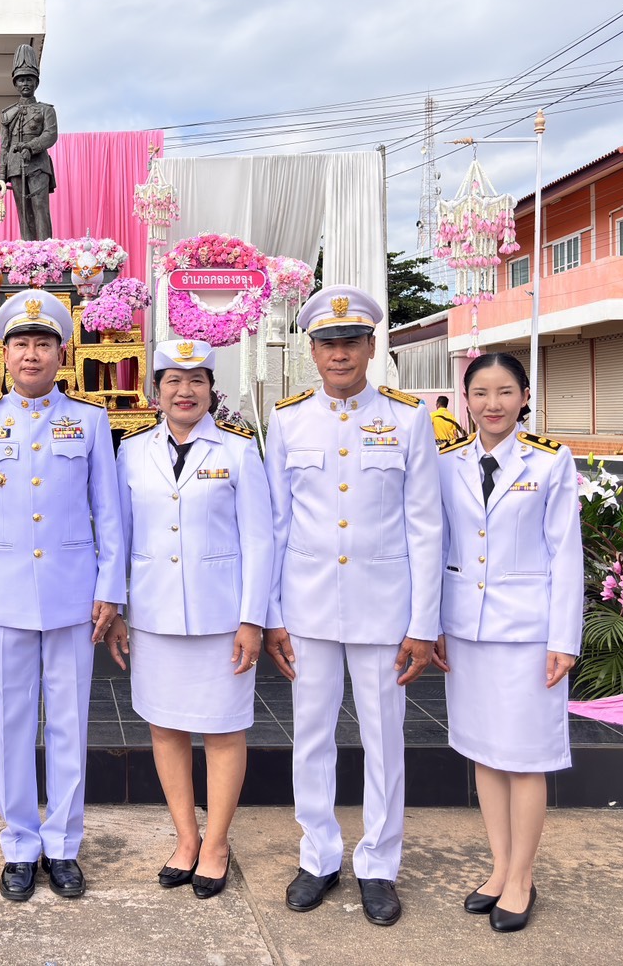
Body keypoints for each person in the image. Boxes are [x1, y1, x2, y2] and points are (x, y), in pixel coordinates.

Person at [261, 285, 441, 927]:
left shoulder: (409, 418)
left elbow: (425, 525)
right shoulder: (286, 421)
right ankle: (318, 856)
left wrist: (425, 623)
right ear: (311, 350)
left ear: (371, 346)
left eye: (350, 342)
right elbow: (276, 524)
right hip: (307, 609)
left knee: (383, 738)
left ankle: (379, 864)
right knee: (310, 737)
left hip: (383, 608)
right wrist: (273, 613)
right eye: (327, 343)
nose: (339, 354)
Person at [0, 288, 125, 902]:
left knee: (71, 721)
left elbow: (108, 512)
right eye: (21, 343)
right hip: (2, 598)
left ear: (62, 351)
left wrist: (111, 588)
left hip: (74, 594)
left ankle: (64, 843)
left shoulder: (90, 420)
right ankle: (20, 843)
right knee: (13, 721)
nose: (32, 354)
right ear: (4, 354)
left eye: (44, 343)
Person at [114, 338, 273, 900]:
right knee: (164, 727)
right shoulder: (131, 453)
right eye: (173, 381)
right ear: (155, 391)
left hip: (221, 618)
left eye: (196, 381)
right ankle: (186, 837)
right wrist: (118, 609)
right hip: (155, 615)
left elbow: (261, 541)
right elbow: (120, 538)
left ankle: (218, 842)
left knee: (224, 730)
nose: (185, 391)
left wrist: (253, 618)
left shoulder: (238, 451)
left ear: (211, 389)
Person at [433, 352, 582, 933]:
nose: (491, 404)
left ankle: (522, 877)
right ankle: (498, 868)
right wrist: (434, 623)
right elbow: (439, 541)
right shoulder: (447, 464)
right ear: (464, 400)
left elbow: (565, 553)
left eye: (504, 392)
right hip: (466, 628)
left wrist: (563, 638)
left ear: (524, 396)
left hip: (528, 632)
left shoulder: (550, 461)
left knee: (526, 759)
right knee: (486, 753)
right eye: (480, 393)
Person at [0, 43, 59, 241]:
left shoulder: (46, 110)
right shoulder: (7, 114)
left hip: (38, 165)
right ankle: (28, 256)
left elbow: (50, 135)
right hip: (15, 167)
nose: (25, 84)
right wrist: (1, 176)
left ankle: (46, 252)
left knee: (40, 208)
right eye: (21, 80)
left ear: (36, 82)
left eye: (29, 79)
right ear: (15, 83)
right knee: (23, 213)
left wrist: (31, 147)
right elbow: (4, 146)